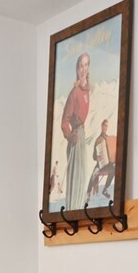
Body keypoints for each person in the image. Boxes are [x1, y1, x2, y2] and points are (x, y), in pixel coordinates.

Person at [59, 52, 92, 210]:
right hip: (76, 138)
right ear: (77, 69)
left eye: (86, 65)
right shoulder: (75, 92)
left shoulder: (87, 91)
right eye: (80, 66)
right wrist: (69, 135)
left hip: (82, 135)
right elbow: (65, 120)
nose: (83, 69)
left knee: (83, 176)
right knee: (76, 178)